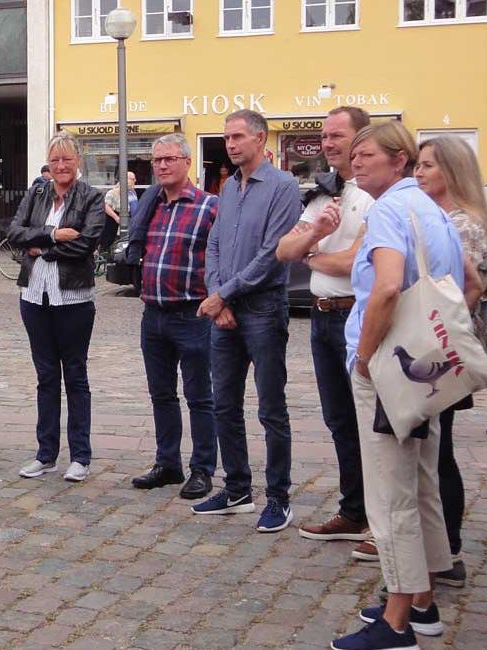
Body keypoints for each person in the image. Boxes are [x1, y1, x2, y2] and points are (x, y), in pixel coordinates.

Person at [331, 121, 469, 650]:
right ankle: (425, 604)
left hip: (392, 366)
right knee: (424, 482)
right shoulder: (432, 208)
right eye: (355, 154)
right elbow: (469, 284)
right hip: (428, 365)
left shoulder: (389, 210)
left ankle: (396, 623)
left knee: (392, 496)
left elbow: (386, 286)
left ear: (398, 160)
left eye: (367, 154)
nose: (356, 161)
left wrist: (364, 358)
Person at [193, 110, 302, 533]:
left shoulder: (282, 186)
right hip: (226, 310)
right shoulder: (228, 188)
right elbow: (214, 244)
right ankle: (237, 487)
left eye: (238, 136)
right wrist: (218, 297)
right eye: (226, 137)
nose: (231, 144)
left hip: (263, 309)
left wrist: (225, 293)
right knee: (224, 403)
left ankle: (279, 497)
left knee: (271, 407)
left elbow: (273, 253)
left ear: (260, 138)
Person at [275, 106, 376, 548]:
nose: (328, 143)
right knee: (338, 420)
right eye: (324, 136)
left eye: (337, 135)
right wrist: (315, 236)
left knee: (370, 422)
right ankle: (354, 511)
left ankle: (381, 519)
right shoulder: (324, 194)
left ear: (362, 139)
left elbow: (360, 261)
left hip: (357, 314)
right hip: (321, 315)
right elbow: (284, 249)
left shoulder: (375, 193)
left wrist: (312, 255)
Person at [414, 134, 487, 587]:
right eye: (418, 164)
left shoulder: (462, 223)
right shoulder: (446, 217)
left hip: (443, 349)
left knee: (437, 453)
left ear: (450, 171)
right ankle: (440, 547)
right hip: (440, 345)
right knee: (434, 450)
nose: (419, 172)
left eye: (428, 165)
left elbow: (467, 286)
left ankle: (446, 550)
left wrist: (443, 330)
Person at [8, 131, 108, 483]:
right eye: (55, 160)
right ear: (48, 164)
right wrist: (52, 235)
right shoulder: (37, 192)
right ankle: (45, 454)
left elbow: (85, 244)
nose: (61, 166)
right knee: (46, 377)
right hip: (34, 297)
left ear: (78, 161)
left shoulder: (91, 197)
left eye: (67, 159)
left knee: (75, 376)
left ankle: (80, 455)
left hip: (74, 299)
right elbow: (15, 232)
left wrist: (41, 249)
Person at [124, 133, 218, 500]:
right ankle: (168, 463)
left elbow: (219, 260)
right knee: (161, 395)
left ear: (186, 163)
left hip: (192, 315)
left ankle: (203, 469)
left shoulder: (209, 206)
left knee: (199, 396)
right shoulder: (152, 206)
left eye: (169, 159)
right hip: (154, 314)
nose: (162, 166)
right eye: (157, 160)